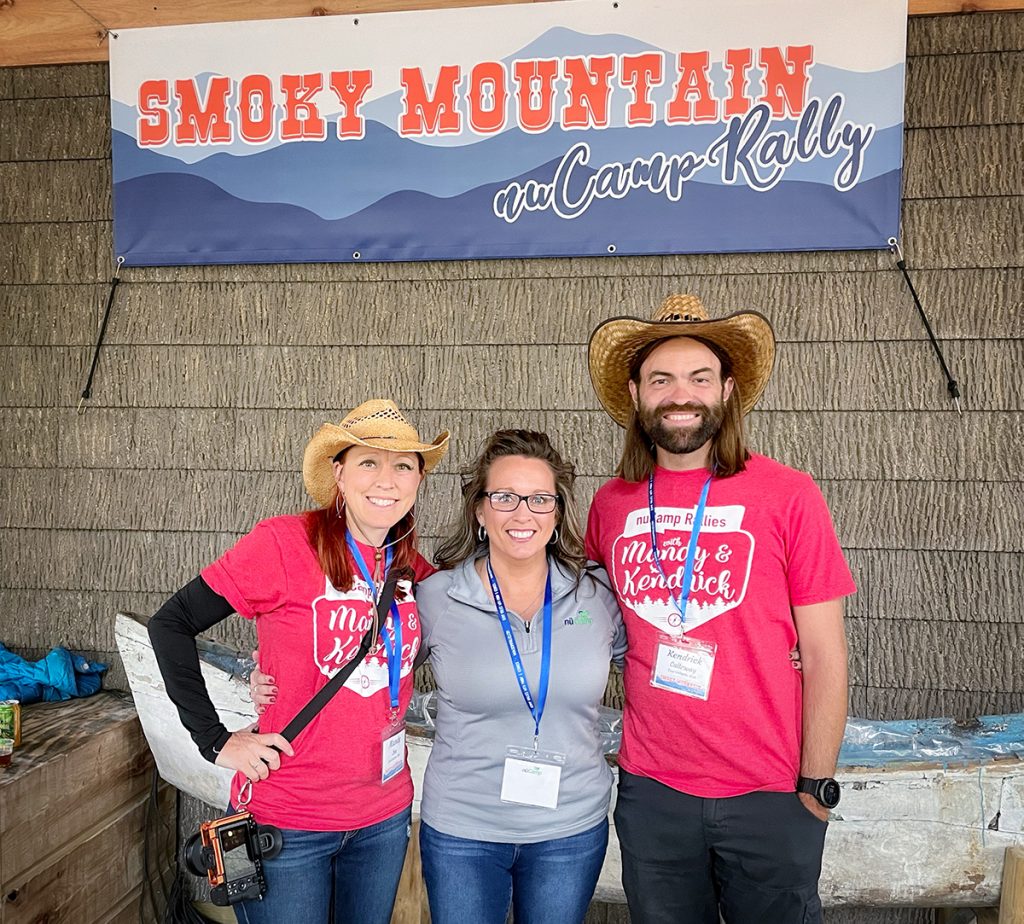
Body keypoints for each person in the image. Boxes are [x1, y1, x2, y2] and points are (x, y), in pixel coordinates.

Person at [252, 429, 627, 924]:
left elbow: (648, 667)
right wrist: (271, 673)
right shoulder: (436, 595)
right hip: (463, 831)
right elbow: (365, 661)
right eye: (504, 497)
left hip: (570, 828)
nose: (523, 513)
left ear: (557, 513)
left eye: (540, 499)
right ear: (480, 511)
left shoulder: (598, 596)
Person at [584, 294, 854, 924]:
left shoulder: (789, 494)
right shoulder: (611, 504)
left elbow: (824, 653)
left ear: (727, 391)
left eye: (699, 378)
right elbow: (582, 619)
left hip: (772, 792)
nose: (681, 394)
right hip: (653, 791)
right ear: (636, 393)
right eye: (661, 379)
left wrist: (815, 785)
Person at [148, 399, 449, 924]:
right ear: (339, 473)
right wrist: (215, 740)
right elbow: (171, 624)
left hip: (382, 817)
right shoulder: (284, 543)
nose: (387, 479)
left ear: (418, 480)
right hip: (287, 821)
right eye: (368, 462)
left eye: (403, 465)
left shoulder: (409, 566)